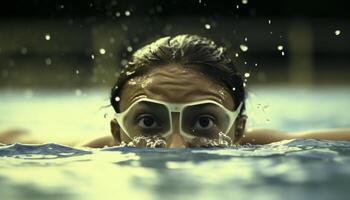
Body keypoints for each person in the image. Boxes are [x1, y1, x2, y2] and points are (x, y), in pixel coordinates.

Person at [1, 34, 349, 148]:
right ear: (117, 131)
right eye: (150, 121)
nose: (176, 147)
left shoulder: (261, 146)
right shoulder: (94, 152)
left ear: (238, 129)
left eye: (203, 123)